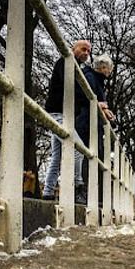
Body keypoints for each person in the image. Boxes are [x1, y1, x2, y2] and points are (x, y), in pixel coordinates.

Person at [42, 39, 91, 202]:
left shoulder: (77, 68)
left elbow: (77, 93)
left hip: (63, 114)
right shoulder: (66, 62)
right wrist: (88, 98)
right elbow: (70, 87)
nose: (86, 53)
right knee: (78, 149)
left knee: (56, 156)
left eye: (89, 51)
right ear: (73, 48)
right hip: (58, 113)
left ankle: (48, 192)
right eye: (83, 49)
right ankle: (77, 187)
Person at [76, 54, 115, 197]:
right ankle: (82, 190)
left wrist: (105, 110)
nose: (109, 72)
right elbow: (86, 97)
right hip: (86, 122)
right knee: (86, 155)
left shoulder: (96, 79)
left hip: (91, 123)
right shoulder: (91, 78)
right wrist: (99, 105)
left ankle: (90, 192)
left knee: (93, 155)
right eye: (108, 69)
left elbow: (96, 99)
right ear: (103, 67)